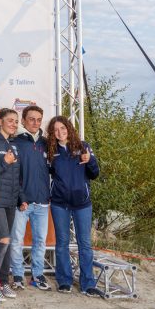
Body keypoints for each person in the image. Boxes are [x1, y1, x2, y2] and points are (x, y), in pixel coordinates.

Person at [46, 116, 103, 298]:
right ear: (52, 133)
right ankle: (64, 281)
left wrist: (90, 161)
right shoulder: (51, 150)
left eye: (62, 128)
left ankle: (88, 283)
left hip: (82, 204)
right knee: (61, 243)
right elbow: (49, 173)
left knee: (84, 244)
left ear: (69, 128)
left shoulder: (83, 146)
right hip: (59, 203)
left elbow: (95, 174)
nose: (59, 132)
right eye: (55, 130)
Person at [10, 106, 52, 291]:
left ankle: (38, 275)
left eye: (38, 119)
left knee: (40, 241)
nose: (35, 123)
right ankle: (18, 275)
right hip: (22, 203)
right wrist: (20, 197)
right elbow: (13, 173)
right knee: (16, 240)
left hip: (42, 203)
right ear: (24, 120)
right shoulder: (15, 142)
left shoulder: (47, 143)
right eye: (31, 119)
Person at [0, 109, 21, 301]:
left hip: (10, 201)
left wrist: (20, 198)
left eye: (16, 121)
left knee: (7, 242)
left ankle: (4, 282)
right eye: (10, 120)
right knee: (3, 239)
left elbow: (17, 175)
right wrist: (4, 162)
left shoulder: (13, 144)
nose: (14, 124)